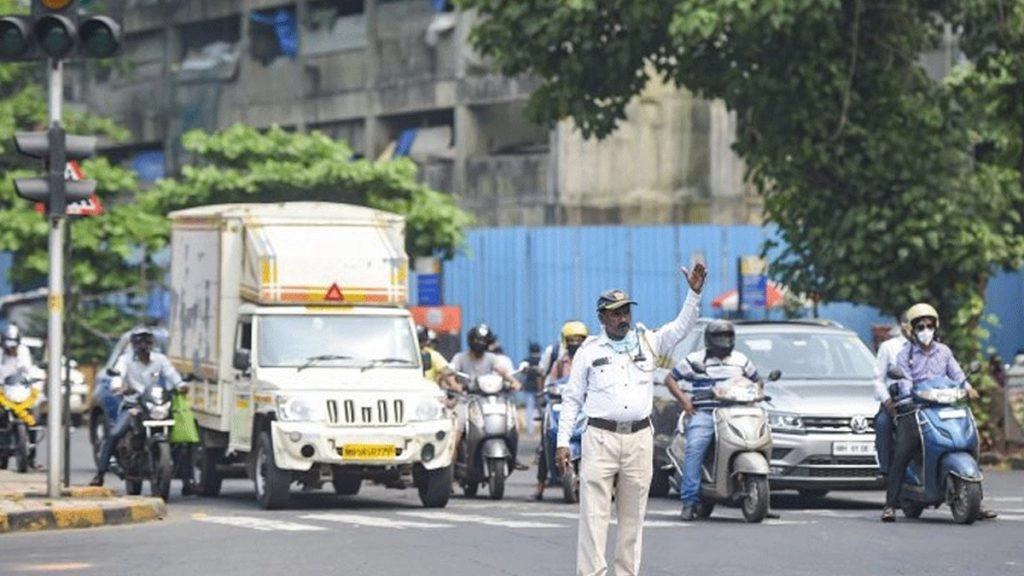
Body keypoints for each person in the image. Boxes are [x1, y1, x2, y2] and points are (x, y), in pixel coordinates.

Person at [556, 262, 706, 576]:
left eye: (626, 311)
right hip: (600, 437)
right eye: (615, 313)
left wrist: (694, 294)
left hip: (639, 439)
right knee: (594, 515)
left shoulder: (648, 341)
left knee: (633, 518)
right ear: (602, 318)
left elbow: (682, 327)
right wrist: (562, 442)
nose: (623, 318)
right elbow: (571, 398)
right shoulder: (588, 350)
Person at [881, 303, 996, 522]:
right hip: (916, 409)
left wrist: (967, 386)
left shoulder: (944, 352)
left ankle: (976, 500)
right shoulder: (906, 356)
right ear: (912, 330)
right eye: (921, 326)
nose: (926, 330)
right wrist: (909, 394)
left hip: (945, 408)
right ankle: (890, 505)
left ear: (936, 327)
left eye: (929, 325)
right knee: (903, 451)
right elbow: (903, 379)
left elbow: (956, 373)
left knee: (969, 443)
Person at [664, 319, 760, 521]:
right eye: (719, 336)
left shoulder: (741, 360)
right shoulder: (695, 360)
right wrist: (685, 402)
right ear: (709, 338)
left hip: (735, 412)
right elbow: (670, 379)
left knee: (756, 440)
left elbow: (757, 381)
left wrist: (756, 394)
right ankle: (689, 502)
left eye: (727, 336)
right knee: (695, 448)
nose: (724, 340)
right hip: (706, 414)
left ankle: (759, 496)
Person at [90, 326, 189, 489]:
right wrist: (118, 386)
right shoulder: (125, 360)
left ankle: (187, 481)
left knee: (184, 438)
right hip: (133, 405)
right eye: (139, 342)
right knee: (114, 434)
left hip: (156, 406)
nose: (143, 346)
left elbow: (172, 375)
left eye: (147, 341)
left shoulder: (160, 360)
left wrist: (181, 385)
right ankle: (100, 474)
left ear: (151, 343)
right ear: (134, 344)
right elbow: (118, 374)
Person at [531, 320, 589, 501]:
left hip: (586, 406)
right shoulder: (558, 361)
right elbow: (547, 380)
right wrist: (544, 393)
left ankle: (612, 487)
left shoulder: (590, 358)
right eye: (571, 339)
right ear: (565, 340)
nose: (575, 343)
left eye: (579, 339)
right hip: (561, 405)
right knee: (546, 442)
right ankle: (540, 487)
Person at [449, 324, 521, 465]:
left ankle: (513, 454)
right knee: (458, 427)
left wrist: (513, 382)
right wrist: (455, 385)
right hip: (466, 400)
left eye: (483, 341)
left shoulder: (492, 358)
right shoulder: (460, 358)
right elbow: (450, 373)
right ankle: (451, 462)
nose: (480, 344)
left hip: (489, 400)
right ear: (471, 341)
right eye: (477, 340)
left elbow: (503, 372)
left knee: (512, 421)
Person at [872, 312, 910, 477]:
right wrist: (888, 402)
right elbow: (878, 380)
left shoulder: (928, 348)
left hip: (921, 401)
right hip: (895, 402)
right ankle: (886, 469)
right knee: (882, 424)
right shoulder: (889, 347)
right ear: (903, 324)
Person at [1, 324, 42, 470]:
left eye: (14, 345)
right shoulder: (0, 354)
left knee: (34, 419)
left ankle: (31, 456)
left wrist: (36, 379)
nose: (12, 348)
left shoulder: (24, 351)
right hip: (5, 389)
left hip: (21, 390)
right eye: (9, 345)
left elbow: (29, 370)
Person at [417, 325, 458, 393]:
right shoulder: (433, 355)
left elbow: (447, 373)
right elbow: (448, 376)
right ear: (426, 342)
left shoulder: (433, 355)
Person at [520, 343, 544, 437]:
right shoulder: (541, 360)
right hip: (540, 389)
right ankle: (543, 429)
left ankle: (530, 430)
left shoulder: (526, 361)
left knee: (529, 410)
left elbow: (522, 374)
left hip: (529, 388)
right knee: (542, 410)